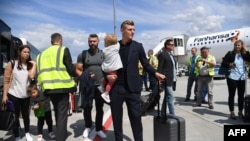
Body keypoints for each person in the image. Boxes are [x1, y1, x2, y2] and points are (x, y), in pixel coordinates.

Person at [106, 20, 165, 141]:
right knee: (117, 119)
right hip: (116, 88)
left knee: (136, 118)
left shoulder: (138, 46)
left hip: (133, 88)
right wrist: (107, 76)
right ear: (122, 31)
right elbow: (106, 64)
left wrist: (155, 73)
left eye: (133, 29)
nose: (132, 32)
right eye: (129, 29)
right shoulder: (114, 47)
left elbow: (146, 64)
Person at [36, 33, 76, 141]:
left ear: (51, 41)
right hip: (62, 87)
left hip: (48, 89)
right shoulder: (63, 50)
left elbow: (39, 73)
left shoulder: (40, 55)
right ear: (60, 40)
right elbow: (71, 69)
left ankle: (59, 132)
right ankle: (61, 138)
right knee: (62, 114)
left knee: (58, 112)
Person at [75, 34, 107, 139]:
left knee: (99, 108)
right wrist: (85, 76)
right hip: (87, 86)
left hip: (100, 85)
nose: (92, 43)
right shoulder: (83, 54)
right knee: (87, 107)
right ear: (88, 42)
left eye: (94, 41)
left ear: (98, 42)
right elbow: (78, 69)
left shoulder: (103, 54)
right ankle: (88, 127)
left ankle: (98, 128)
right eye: (90, 41)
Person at [2, 45, 36, 141]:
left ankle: (27, 132)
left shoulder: (30, 65)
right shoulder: (12, 63)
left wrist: (34, 64)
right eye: (24, 52)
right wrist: (5, 95)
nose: (27, 54)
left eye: (28, 52)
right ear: (20, 52)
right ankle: (17, 135)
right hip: (13, 94)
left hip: (26, 95)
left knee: (26, 116)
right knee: (15, 116)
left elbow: (32, 76)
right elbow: (6, 80)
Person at [221, 40, 250, 119]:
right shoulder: (230, 53)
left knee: (241, 96)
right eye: (235, 45)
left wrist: (246, 49)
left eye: (239, 45)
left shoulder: (244, 54)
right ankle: (232, 112)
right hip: (232, 77)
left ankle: (240, 111)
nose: (237, 46)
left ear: (241, 46)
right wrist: (230, 64)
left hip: (242, 78)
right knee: (231, 95)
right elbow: (223, 63)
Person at [98, 33, 123, 103]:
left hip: (106, 67)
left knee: (107, 79)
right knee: (111, 81)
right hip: (113, 68)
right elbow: (119, 43)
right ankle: (106, 93)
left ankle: (102, 85)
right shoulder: (115, 48)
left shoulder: (104, 50)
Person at [157, 39, 177, 115]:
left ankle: (162, 112)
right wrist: (159, 79)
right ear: (167, 45)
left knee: (167, 97)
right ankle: (172, 114)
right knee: (171, 97)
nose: (173, 46)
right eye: (172, 45)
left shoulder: (171, 55)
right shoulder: (163, 54)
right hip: (166, 79)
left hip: (172, 79)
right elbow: (160, 67)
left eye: (173, 45)